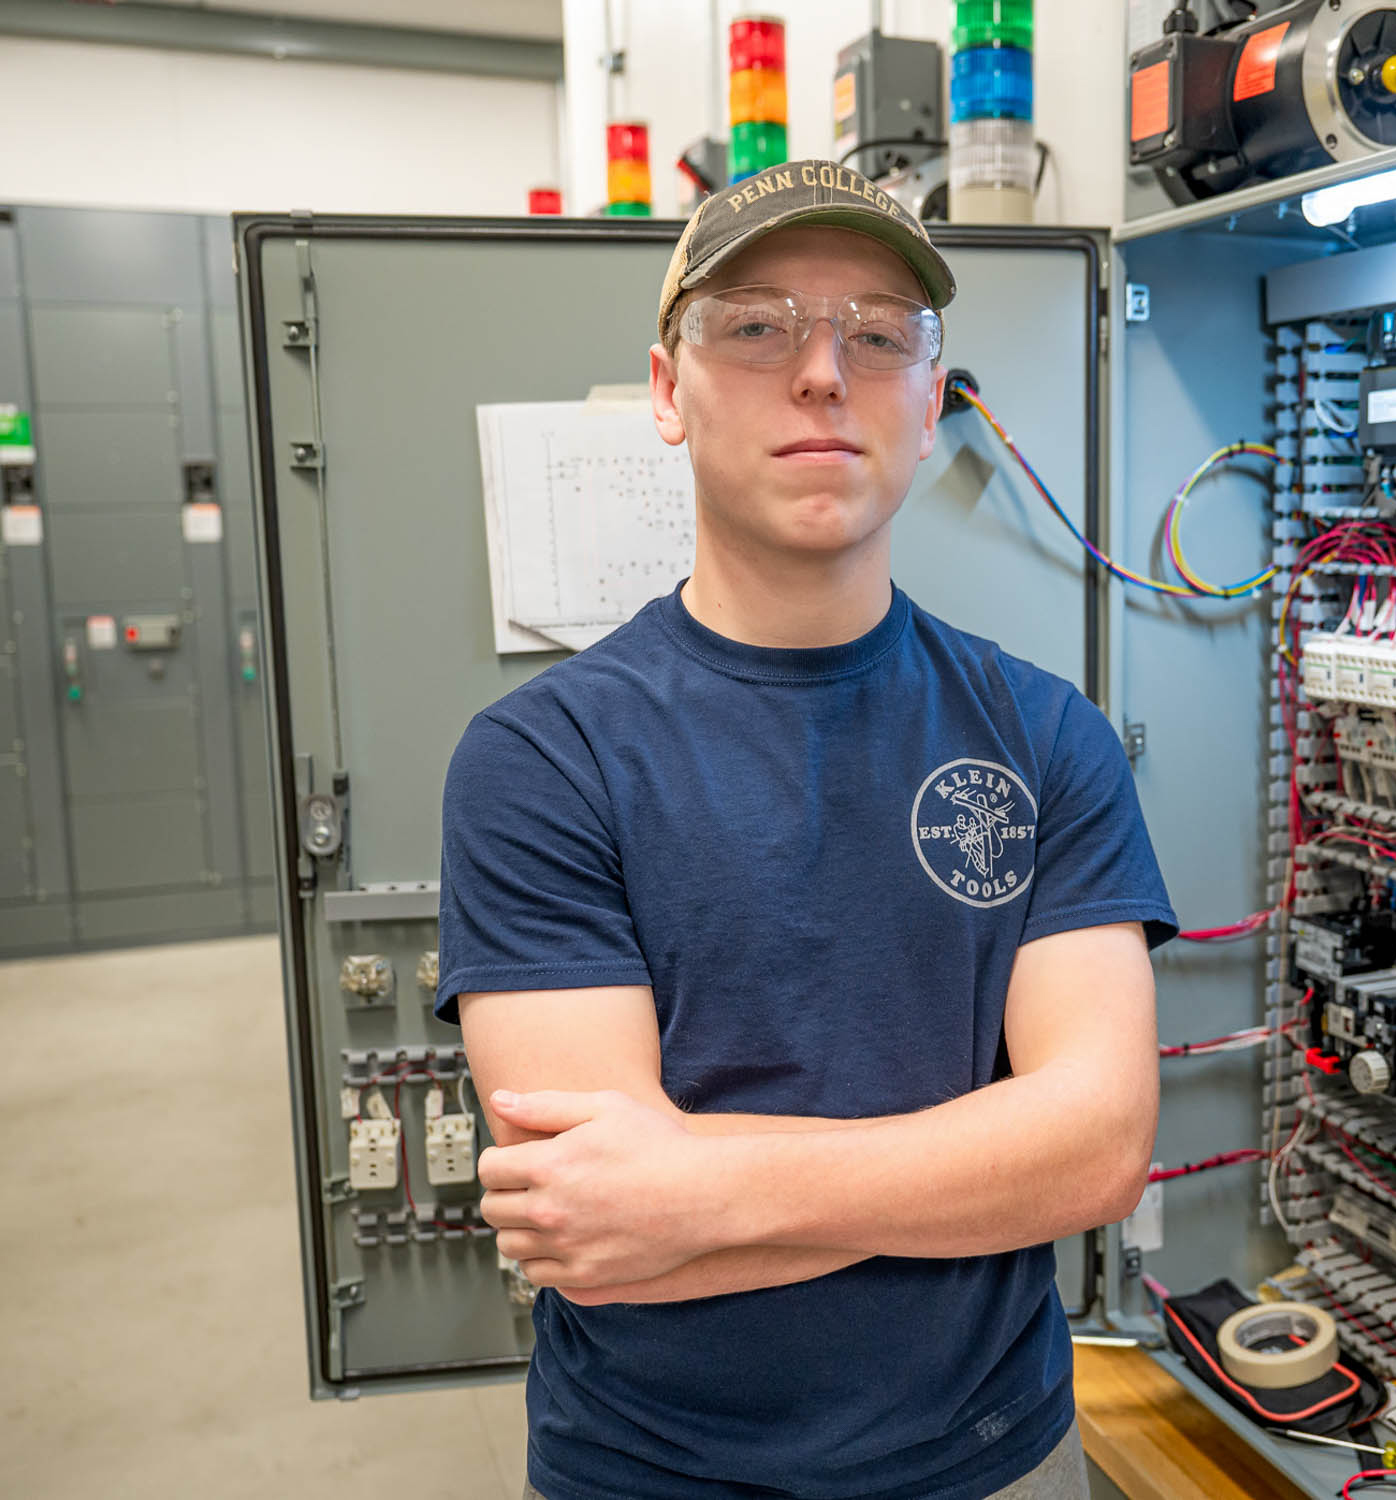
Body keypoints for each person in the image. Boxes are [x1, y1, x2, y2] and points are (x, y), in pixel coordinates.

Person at [435, 160, 1179, 1500]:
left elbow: (1098, 1145)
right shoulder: (544, 760)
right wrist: (971, 1168)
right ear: (669, 390)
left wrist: (697, 1193)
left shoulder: (1046, 735)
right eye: (759, 326)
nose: (825, 374)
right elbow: (592, 1222)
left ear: (934, 403)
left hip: (997, 1461)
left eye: (880, 334)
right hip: (650, 1474)